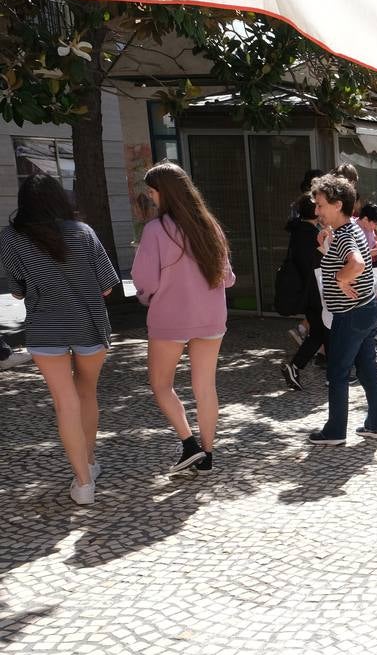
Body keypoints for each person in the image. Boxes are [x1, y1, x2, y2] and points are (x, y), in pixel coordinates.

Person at [0, 174, 119, 503]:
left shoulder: (10, 237)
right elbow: (108, 285)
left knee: (65, 404)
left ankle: (82, 484)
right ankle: (91, 461)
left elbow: (17, 290)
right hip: (89, 325)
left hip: (45, 328)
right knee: (87, 395)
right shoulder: (83, 232)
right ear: (60, 199)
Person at [132, 161, 236, 474]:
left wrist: (147, 297)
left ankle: (189, 443)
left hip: (170, 317)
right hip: (211, 316)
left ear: (160, 193)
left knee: (162, 385)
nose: (151, 199)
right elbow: (228, 277)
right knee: (205, 387)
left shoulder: (155, 229)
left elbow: (145, 280)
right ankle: (207, 454)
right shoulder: (210, 225)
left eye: (151, 193)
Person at [307, 173, 377, 445]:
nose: (317, 210)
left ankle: (335, 431)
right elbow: (344, 259)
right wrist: (324, 248)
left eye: (320, 205)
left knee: (337, 374)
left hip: (351, 315)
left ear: (337, 205)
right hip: (365, 310)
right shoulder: (349, 229)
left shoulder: (345, 235)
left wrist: (341, 278)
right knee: (367, 369)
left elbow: (356, 264)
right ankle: (376, 423)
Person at [282, 195, 325, 391]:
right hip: (313, 290)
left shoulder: (300, 230)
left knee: (320, 331)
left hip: (306, 289)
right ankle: (334, 374)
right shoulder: (309, 234)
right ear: (315, 211)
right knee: (323, 331)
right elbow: (314, 263)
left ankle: (296, 366)